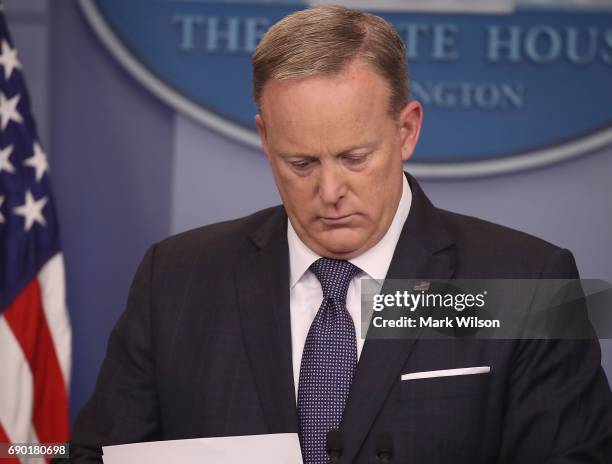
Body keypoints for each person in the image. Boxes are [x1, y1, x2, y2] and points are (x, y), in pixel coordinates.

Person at [68, 6, 612, 463]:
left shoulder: (533, 284)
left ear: (407, 130)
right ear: (264, 139)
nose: (329, 191)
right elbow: (97, 453)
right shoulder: (177, 280)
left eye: (354, 158)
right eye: (300, 162)